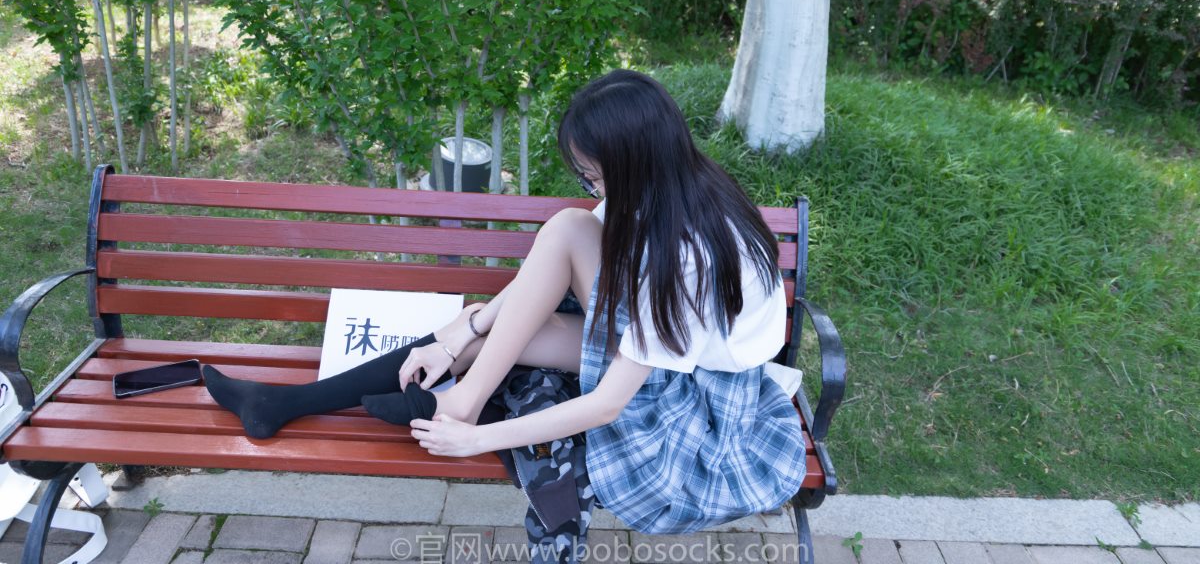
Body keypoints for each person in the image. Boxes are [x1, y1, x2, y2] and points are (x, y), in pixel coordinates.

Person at [203, 69, 807, 535]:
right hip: (661, 348)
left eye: (594, 176)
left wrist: (480, 442)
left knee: (551, 258)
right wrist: (461, 332)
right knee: (558, 242)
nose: (590, 186)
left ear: (633, 162)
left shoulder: (687, 256)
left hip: (695, 404)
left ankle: (461, 411)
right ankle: (286, 403)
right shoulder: (664, 188)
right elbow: (556, 264)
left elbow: (607, 405)